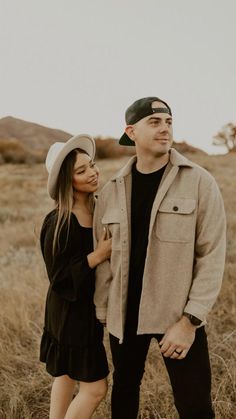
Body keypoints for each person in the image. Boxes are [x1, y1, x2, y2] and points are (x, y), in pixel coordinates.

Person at [93, 97, 226, 419]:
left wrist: (190, 320)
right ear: (131, 131)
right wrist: (102, 309)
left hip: (176, 316)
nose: (165, 128)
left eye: (168, 122)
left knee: (195, 407)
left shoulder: (199, 181)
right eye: (154, 122)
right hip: (123, 316)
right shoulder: (111, 190)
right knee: (124, 397)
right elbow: (105, 257)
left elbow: (211, 255)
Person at [39, 134, 112, 419]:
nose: (92, 173)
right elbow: (59, 278)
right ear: (67, 181)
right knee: (95, 389)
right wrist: (99, 255)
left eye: (92, 165)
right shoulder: (59, 222)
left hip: (86, 308)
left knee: (67, 375)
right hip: (70, 314)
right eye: (81, 171)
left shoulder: (98, 209)